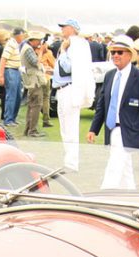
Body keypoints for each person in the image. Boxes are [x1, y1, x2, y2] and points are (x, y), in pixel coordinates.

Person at [87, 36, 139, 187]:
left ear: (130, 55)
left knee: (115, 165)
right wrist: (94, 129)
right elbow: (102, 105)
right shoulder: (109, 76)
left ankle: (105, 194)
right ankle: (130, 195)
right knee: (125, 169)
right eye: (113, 52)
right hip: (112, 129)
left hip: (129, 129)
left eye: (120, 52)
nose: (115, 55)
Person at [52, 19, 93, 169]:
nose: (62, 29)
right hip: (62, 89)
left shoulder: (76, 45)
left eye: (64, 27)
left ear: (72, 28)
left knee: (70, 127)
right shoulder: (71, 44)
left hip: (70, 88)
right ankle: (68, 160)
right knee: (65, 127)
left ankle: (71, 162)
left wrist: (63, 51)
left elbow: (68, 67)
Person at [1, 27, 24, 126]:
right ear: (18, 35)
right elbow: (3, 59)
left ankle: (13, 118)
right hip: (10, 70)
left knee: (18, 96)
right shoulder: (10, 44)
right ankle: (8, 119)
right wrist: (1, 76)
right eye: (22, 35)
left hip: (16, 70)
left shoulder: (15, 44)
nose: (23, 37)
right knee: (11, 96)